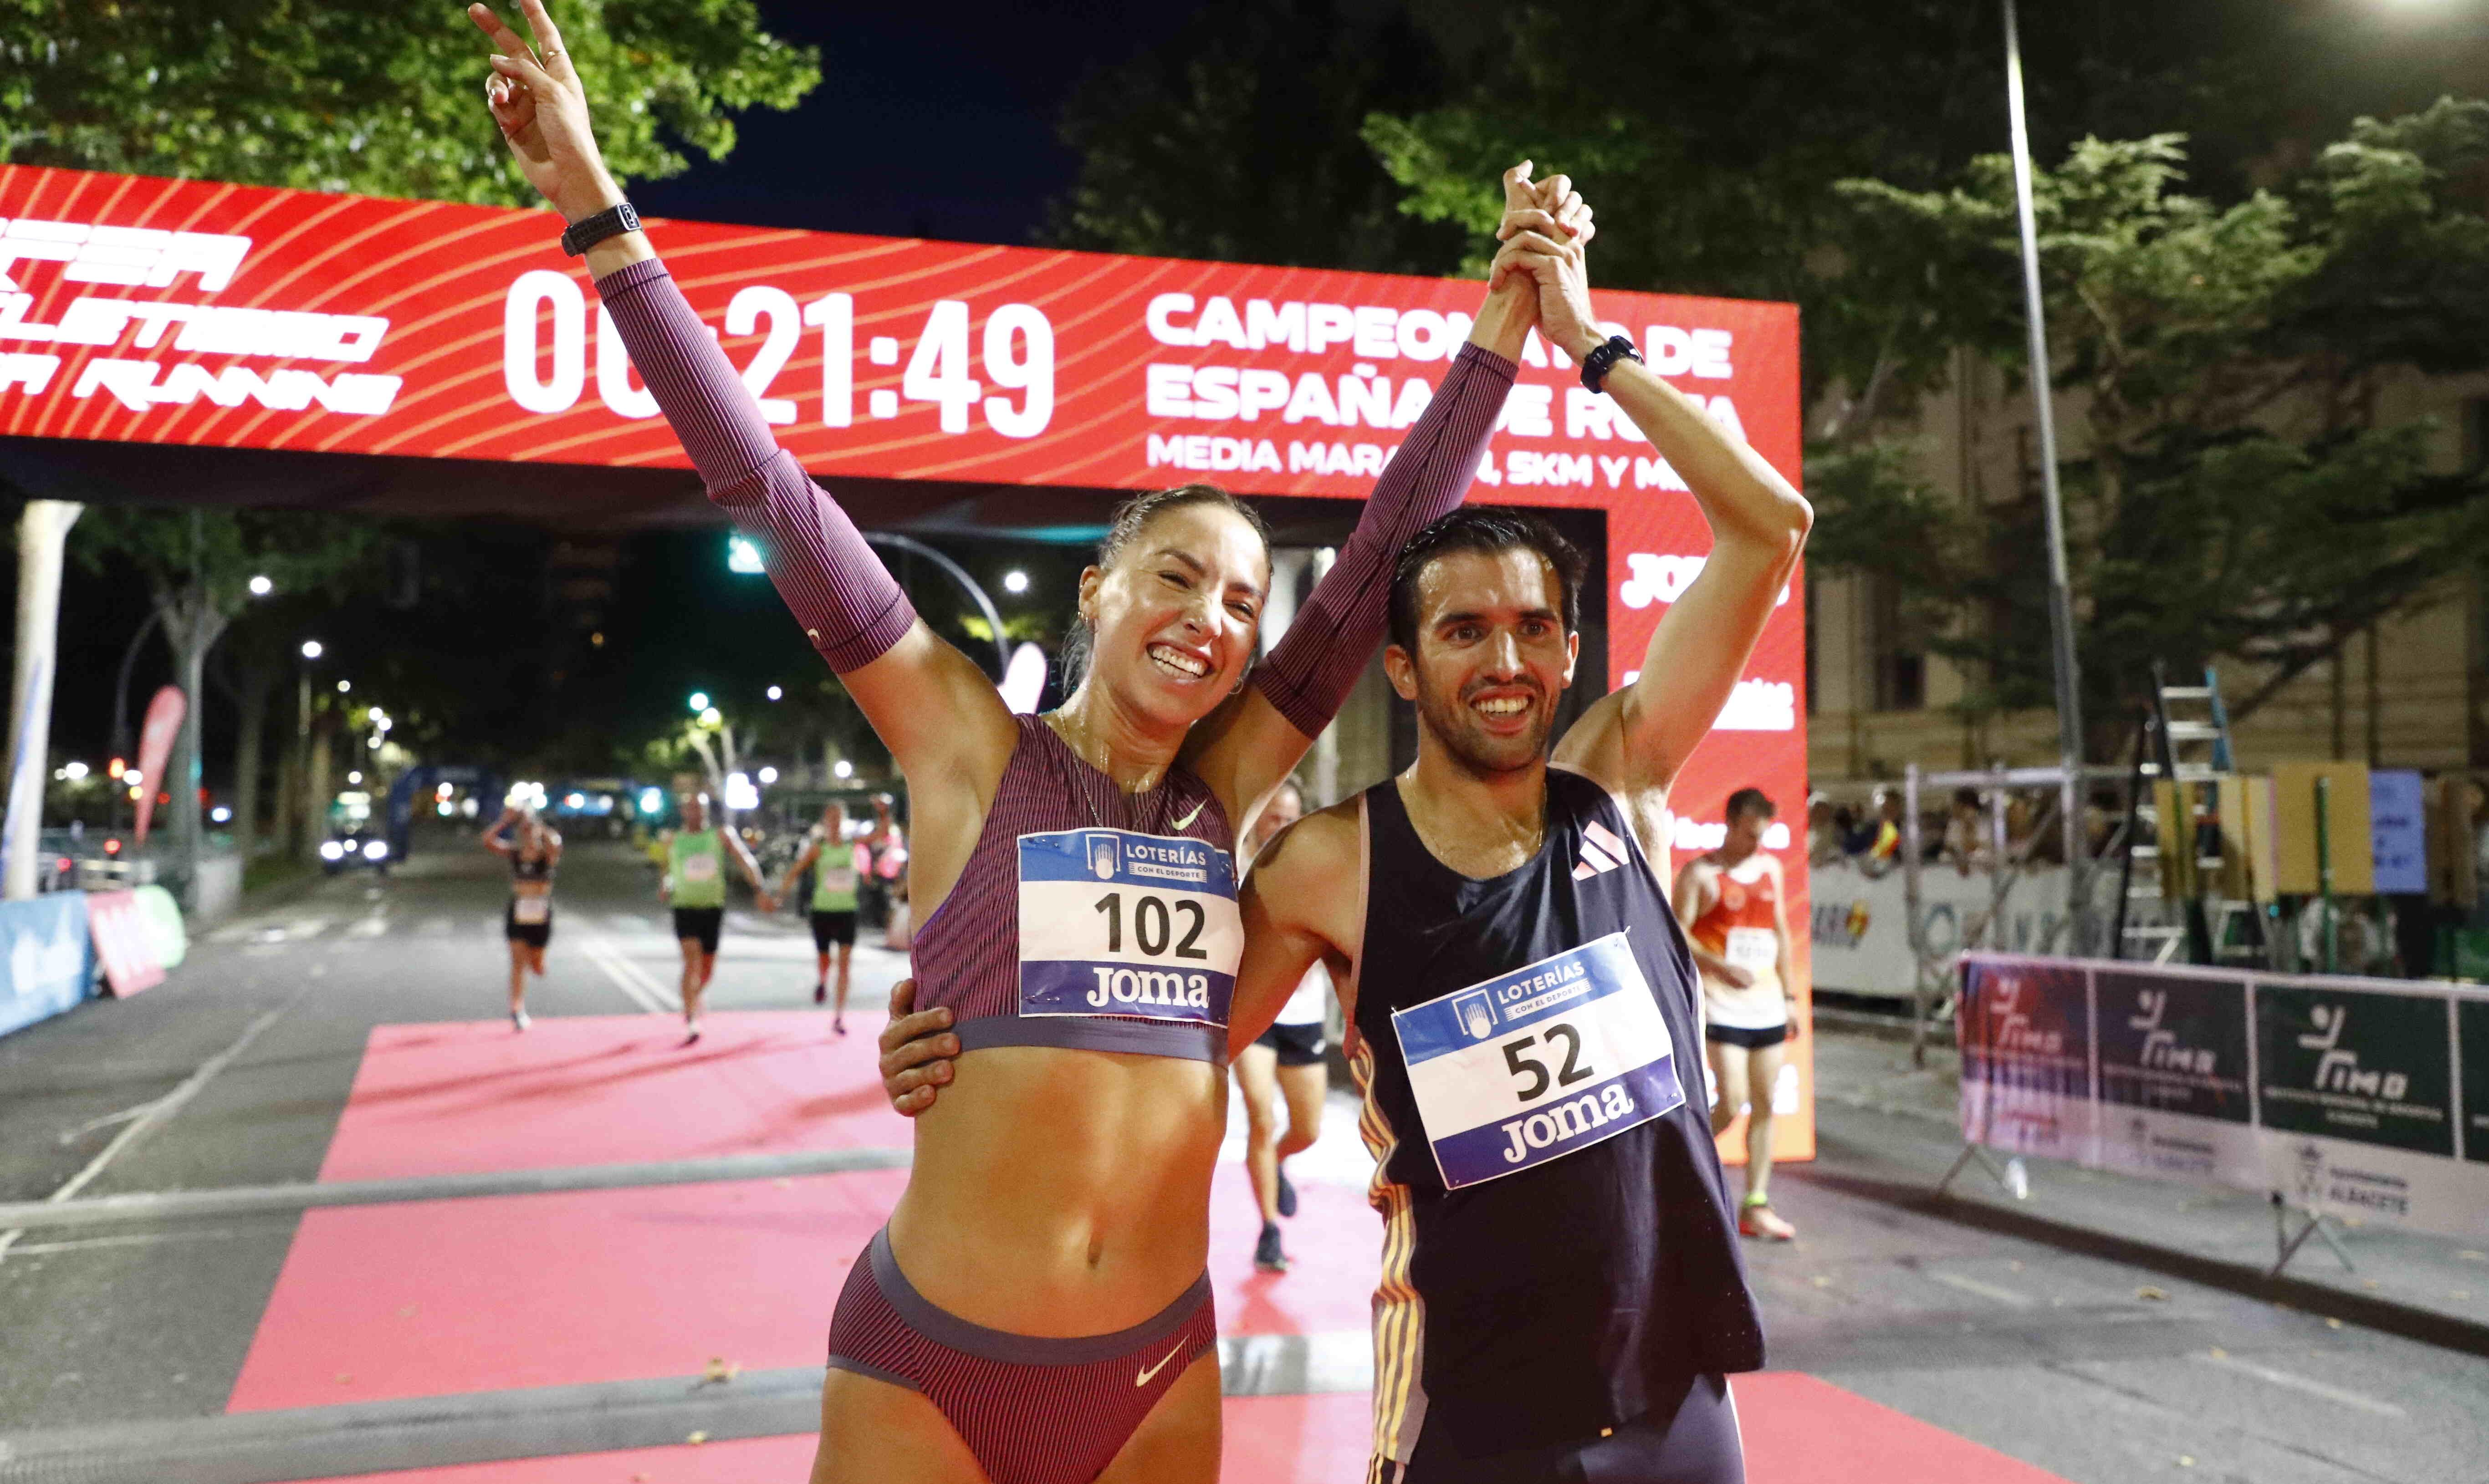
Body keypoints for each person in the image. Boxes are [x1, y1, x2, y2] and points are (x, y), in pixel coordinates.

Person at [466, 10, 1568, 1479]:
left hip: (1160, 1364)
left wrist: (1501, 319)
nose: (1209, 617)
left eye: (1240, 598)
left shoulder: (1221, 785)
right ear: (1097, 591)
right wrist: (597, 209)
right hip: (932, 1360)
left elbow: (1377, 554)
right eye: (1172, 576)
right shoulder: (961, 738)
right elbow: (771, 491)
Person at [884, 210, 1811, 1482]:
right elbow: (1142, 1039)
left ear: (1570, 656)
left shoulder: (1621, 785)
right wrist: (959, 1026)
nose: (1505, 659)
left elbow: (1769, 526)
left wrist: (1591, 344)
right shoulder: (1329, 863)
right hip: (1471, 1413)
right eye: (1465, 630)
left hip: (1682, 1403)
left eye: (1535, 630)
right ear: (1402, 667)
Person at [1674, 788, 1799, 1242]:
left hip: (1765, 1003)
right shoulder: (1701, 874)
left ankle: (1755, 1203)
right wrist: (1719, 965)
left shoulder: (1769, 869)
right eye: (1748, 835)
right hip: (1722, 1004)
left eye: (1762, 835)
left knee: (1765, 1103)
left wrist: (1788, 997)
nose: (1756, 844)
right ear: (1729, 824)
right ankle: (1678, 1172)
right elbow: (1676, 933)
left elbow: (1781, 933)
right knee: (1731, 1100)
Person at [1230, 780, 1329, 1275]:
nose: (1281, 826)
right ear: (1259, 816)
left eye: (1290, 818)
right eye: (1273, 817)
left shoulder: (1312, 868)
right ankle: (1269, 1231)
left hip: (1302, 1013)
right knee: (1260, 1118)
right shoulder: (1233, 865)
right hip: (1250, 1010)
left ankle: (1279, 1163)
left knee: (1307, 1129)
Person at [661, 793, 775, 1044]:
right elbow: (668, 871)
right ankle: (692, 1017)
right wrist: (666, 885)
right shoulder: (674, 840)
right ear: (683, 812)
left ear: (705, 811)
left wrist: (759, 889)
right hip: (685, 906)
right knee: (691, 961)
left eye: (699, 808)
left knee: (707, 969)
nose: (695, 813)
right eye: (690, 808)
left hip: (712, 908)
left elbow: (745, 860)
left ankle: (694, 995)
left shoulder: (721, 835)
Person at [780, 801, 866, 1030]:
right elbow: (796, 870)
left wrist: (884, 813)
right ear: (825, 822)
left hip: (848, 910)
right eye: (831, 818)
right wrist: (780, 895)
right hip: (823, 910)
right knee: (825, 960)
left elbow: (882, 835)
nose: (835, 822)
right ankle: (822, 980)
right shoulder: (818, 847)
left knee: (846, 963)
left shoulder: (852, 844)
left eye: (839, 817)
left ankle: (839, 1015)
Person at [482, 804, 562, 1030]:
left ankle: (537, 961)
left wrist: (538, 824)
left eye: (530, 830)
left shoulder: (548, 855)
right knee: (518, 963)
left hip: (540, 916)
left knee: (536, 967)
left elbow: (556, 843)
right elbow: (488, 841)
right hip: (518, 913)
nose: (527, 834)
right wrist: (505, 821)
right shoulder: (515, 853)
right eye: (524, 830)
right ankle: (517, 1009)